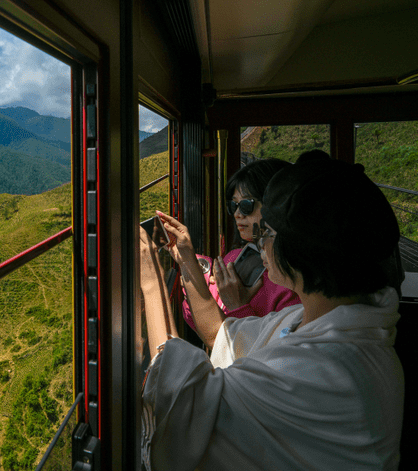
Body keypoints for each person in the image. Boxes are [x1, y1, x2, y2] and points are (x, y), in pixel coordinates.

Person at [139, 156, 404, 470]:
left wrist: (152, 285)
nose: (259, 244)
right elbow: (219, 333)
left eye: (267, 234)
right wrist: (185, 256)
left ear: (302, 250)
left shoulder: (325, 370)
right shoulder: (313, 322)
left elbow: (178, 413)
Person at [179, 158, 300, 343]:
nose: (238, 214)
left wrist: (238, 306)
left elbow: (272, 354)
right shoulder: (233, 259)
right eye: (233, 205)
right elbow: (201, 326)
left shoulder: (293, 279)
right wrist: (196, 288)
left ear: (276, 204)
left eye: (246, 205)